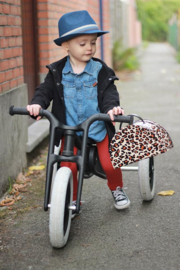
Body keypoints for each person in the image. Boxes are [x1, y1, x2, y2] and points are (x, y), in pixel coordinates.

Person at [27, 10, 130, 217]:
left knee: (109, 163)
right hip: (70, 130)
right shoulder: (56, 71)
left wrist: (112, 108)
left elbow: (109, 92)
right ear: (66, 46)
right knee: (68, 166)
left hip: (97, 127)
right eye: (83, 44)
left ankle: (116, 188)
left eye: (92, 42)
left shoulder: (100, 70)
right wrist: (37, 104)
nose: (89, 48)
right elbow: (45, 91)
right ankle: (72, 200)